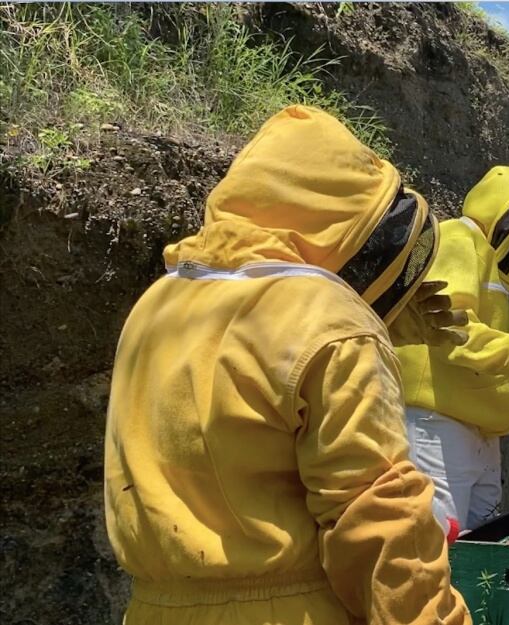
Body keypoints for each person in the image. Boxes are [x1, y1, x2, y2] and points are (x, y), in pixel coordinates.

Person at [104, 105, 470, 625]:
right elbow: (374, 516)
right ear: (344, 223)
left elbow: (239, 405)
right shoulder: (330, 323)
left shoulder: (157, 304)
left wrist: (378, 326)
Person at [389, 166, 509, 536]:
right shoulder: (459, 237)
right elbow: (447, 323)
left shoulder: (504, 284)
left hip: (481, 437)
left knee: (482, 551)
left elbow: (488, 375)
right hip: (437, 426)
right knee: (437, 548)